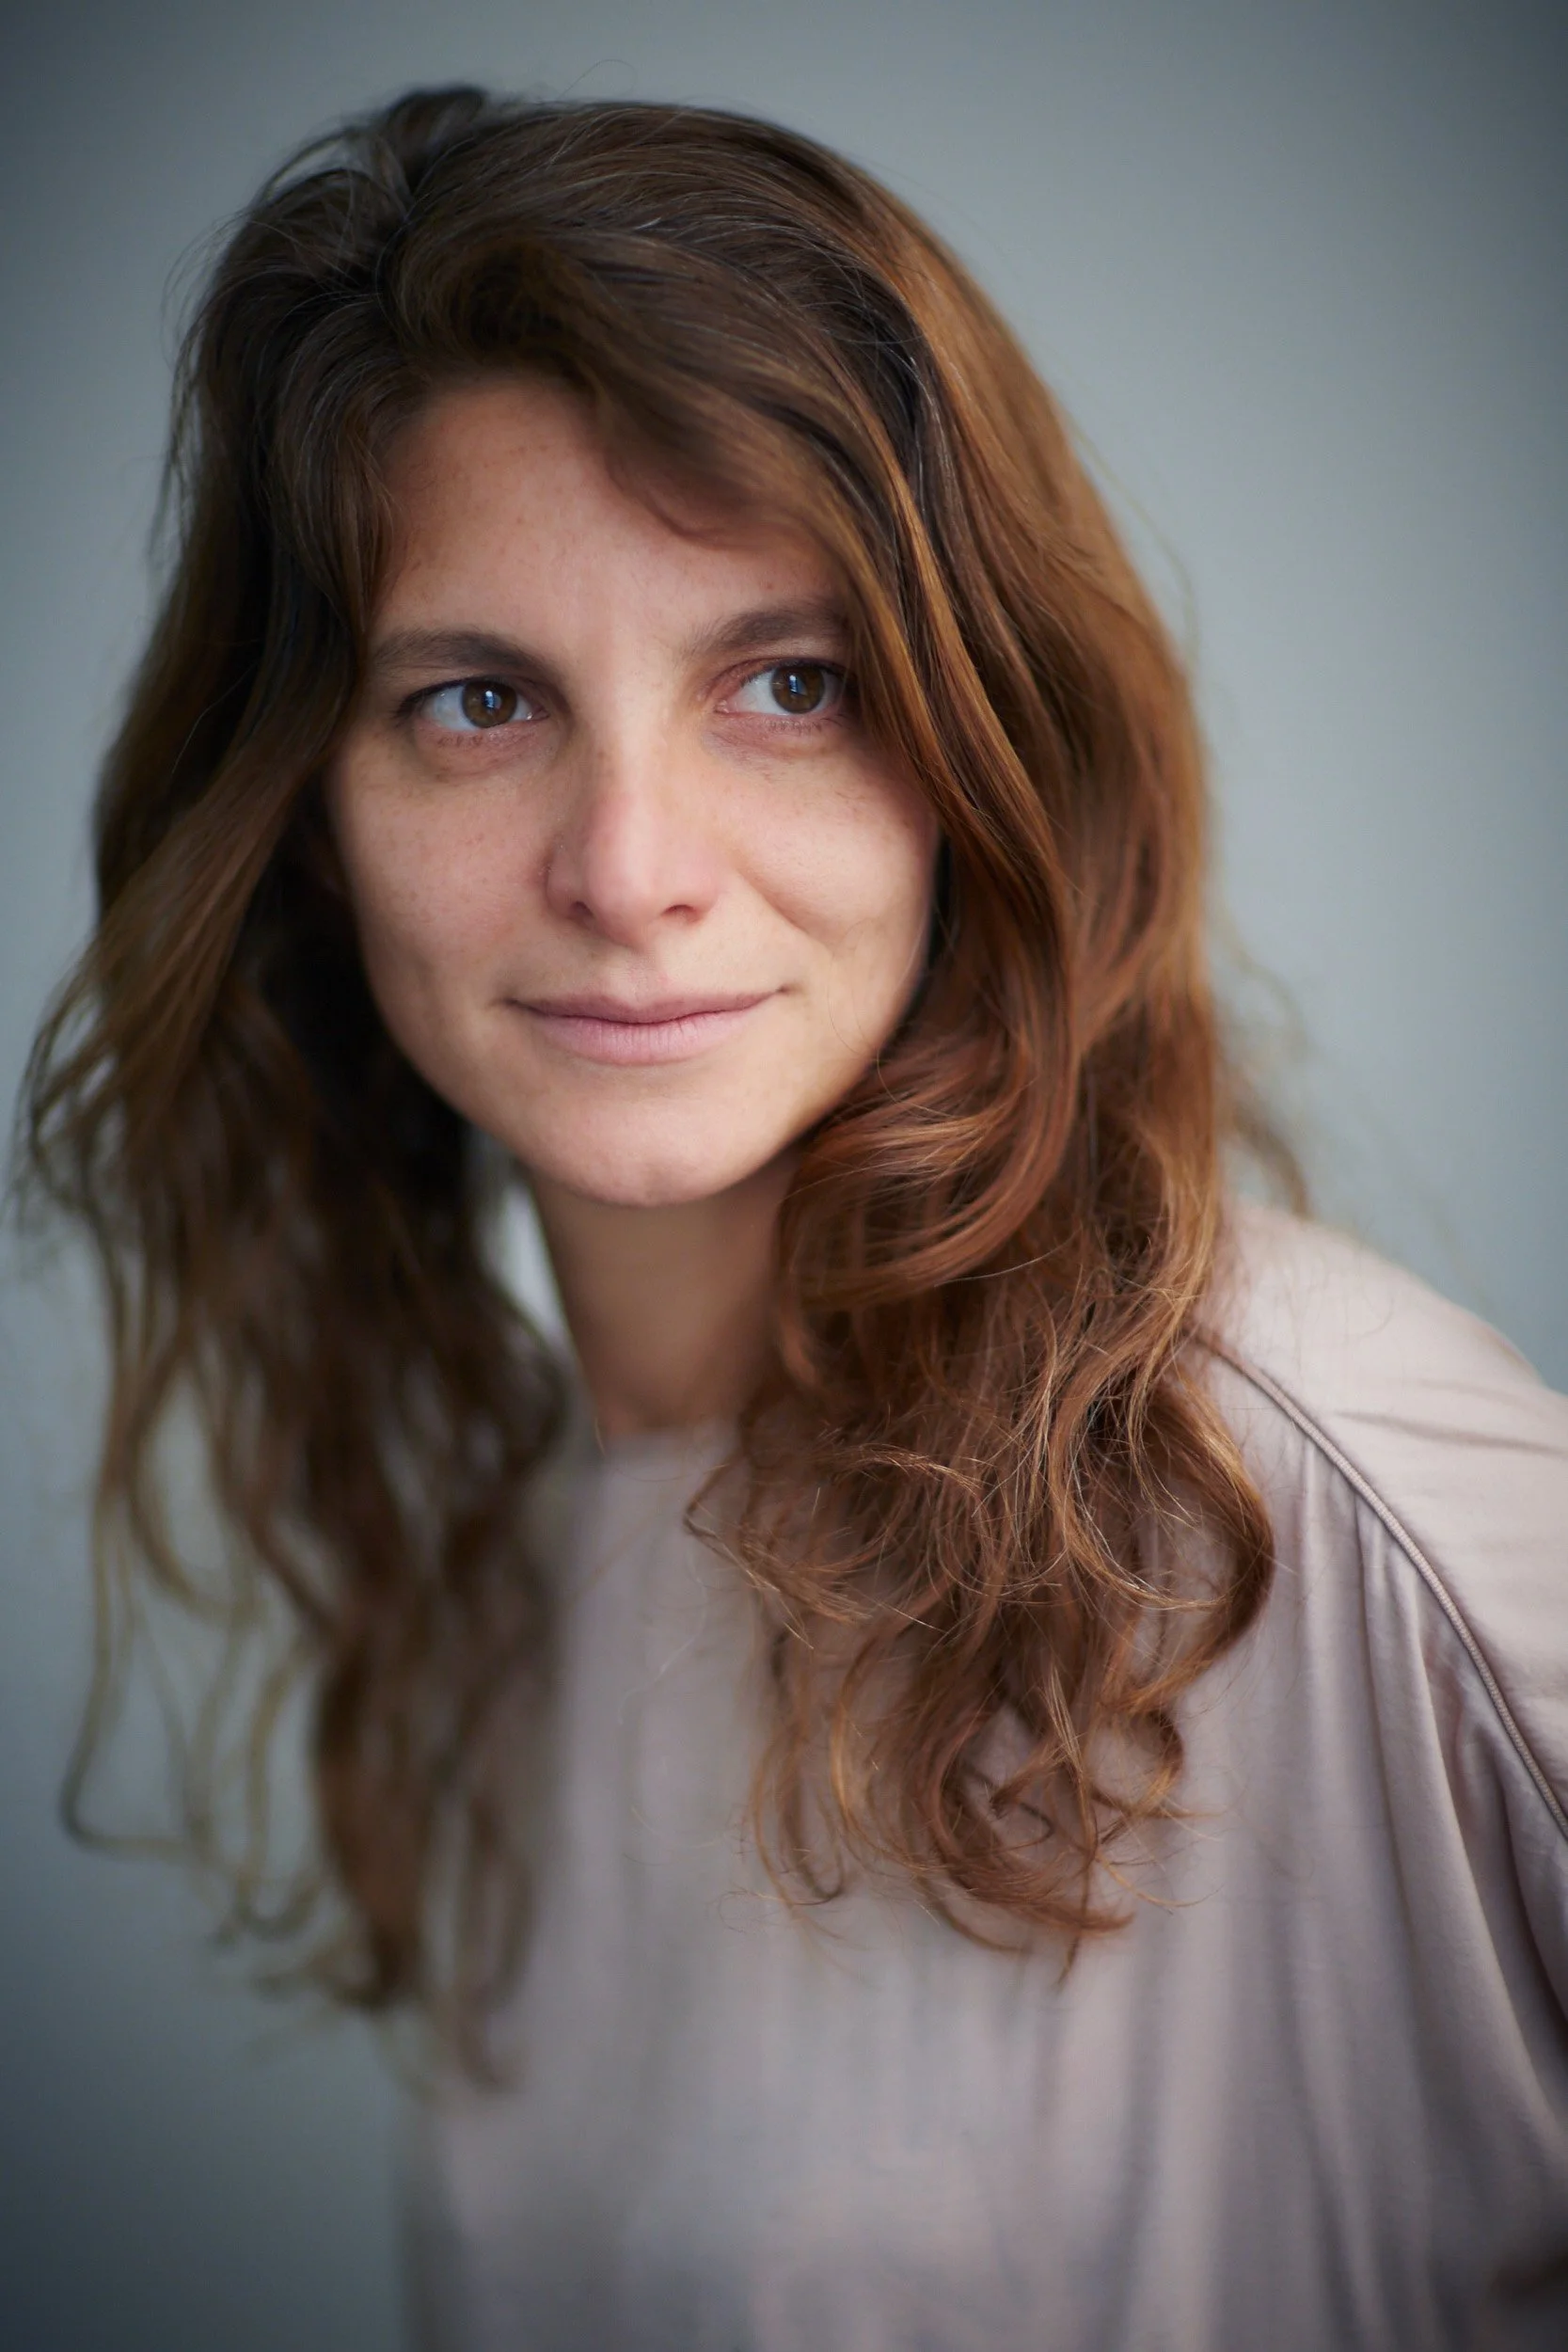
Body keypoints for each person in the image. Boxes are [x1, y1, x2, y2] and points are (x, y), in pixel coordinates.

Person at [21, 83, 1568, 2352]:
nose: (628, 866)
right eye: (476, 701)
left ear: (975, 752)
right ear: (309, 824)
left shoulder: (1331, 1479)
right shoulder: (505, 1588)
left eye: (785, 683)